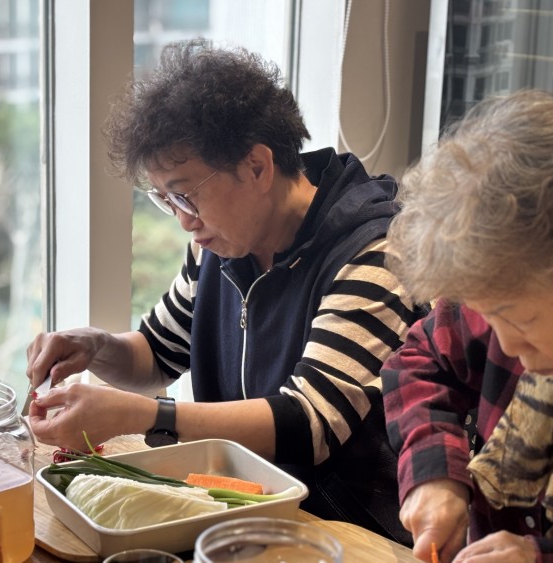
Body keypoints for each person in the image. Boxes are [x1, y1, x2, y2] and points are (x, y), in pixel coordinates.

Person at [27, 38, 426, 544]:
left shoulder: (374, 252)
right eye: (165, 200)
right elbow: (158, 354)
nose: (182, 219)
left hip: (346, 532)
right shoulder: (222, 243)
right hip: (242, 513)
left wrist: (140, 415)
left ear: (257, 166)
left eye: (185, 193)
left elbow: (310, 423)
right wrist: (95, 347)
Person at [381, 89, 553, 562]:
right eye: (489, 317)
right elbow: (418, 361)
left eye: (521, 319)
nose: (507, 345)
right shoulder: (507, 283)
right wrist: (436, 472)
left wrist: (537, 555)